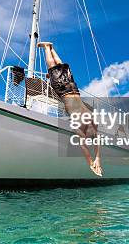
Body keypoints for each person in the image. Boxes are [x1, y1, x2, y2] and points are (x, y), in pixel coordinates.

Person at [38, 42, 102, 176]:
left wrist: (97, 159)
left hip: (74, 89)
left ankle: (51, 48)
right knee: (52, 67)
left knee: (61, 68)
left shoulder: (92, 119)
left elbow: (96, 144)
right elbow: (83, 147)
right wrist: (91, 163)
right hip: (64, 92)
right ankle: (46, 48)